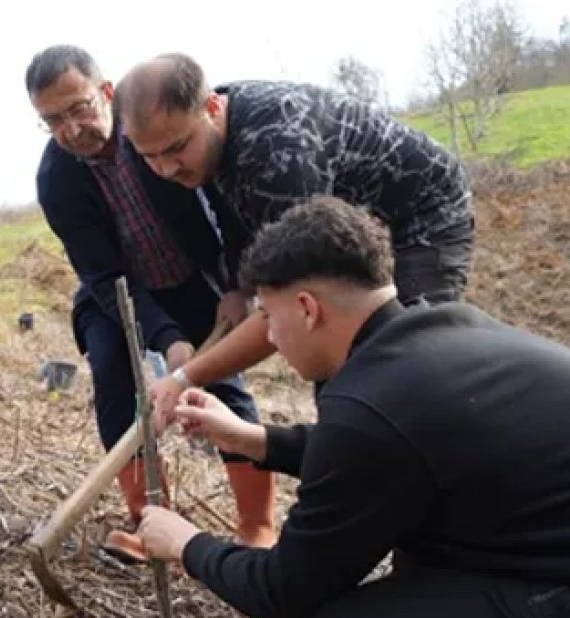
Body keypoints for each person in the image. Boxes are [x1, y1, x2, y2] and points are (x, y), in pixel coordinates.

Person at [126, 195, 570, 618]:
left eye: (268, 316)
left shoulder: (370, 401)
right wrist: (254, 440)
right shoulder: (442, 337)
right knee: (422, 567)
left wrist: (185, 543)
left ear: (307, 307)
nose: (269, 334)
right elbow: (397, 450)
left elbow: (285, 592)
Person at [114, 53, 476, 424]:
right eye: (150, 157)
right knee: (340, 371)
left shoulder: (276, 150)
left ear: (210, 106)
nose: (166, 169)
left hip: (419, 215)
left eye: (176, 148)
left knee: (402, 356)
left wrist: (186, 377)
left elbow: (296, 300)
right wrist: (239, 288)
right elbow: (239, 217)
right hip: (349, 229)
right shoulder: (211, 144)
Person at [26, 44, 276, 553]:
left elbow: (221, 205)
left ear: (107, 92)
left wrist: (234, 283)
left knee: (224, 391)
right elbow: (103, 273)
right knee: (117, 393)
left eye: (79, 108)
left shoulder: (154, 127)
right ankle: (149, 524)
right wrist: (168, 341)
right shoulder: (57, 180)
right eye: (53, 120)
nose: (72, 129)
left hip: (188, 277)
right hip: (112, 293)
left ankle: (258, 527)